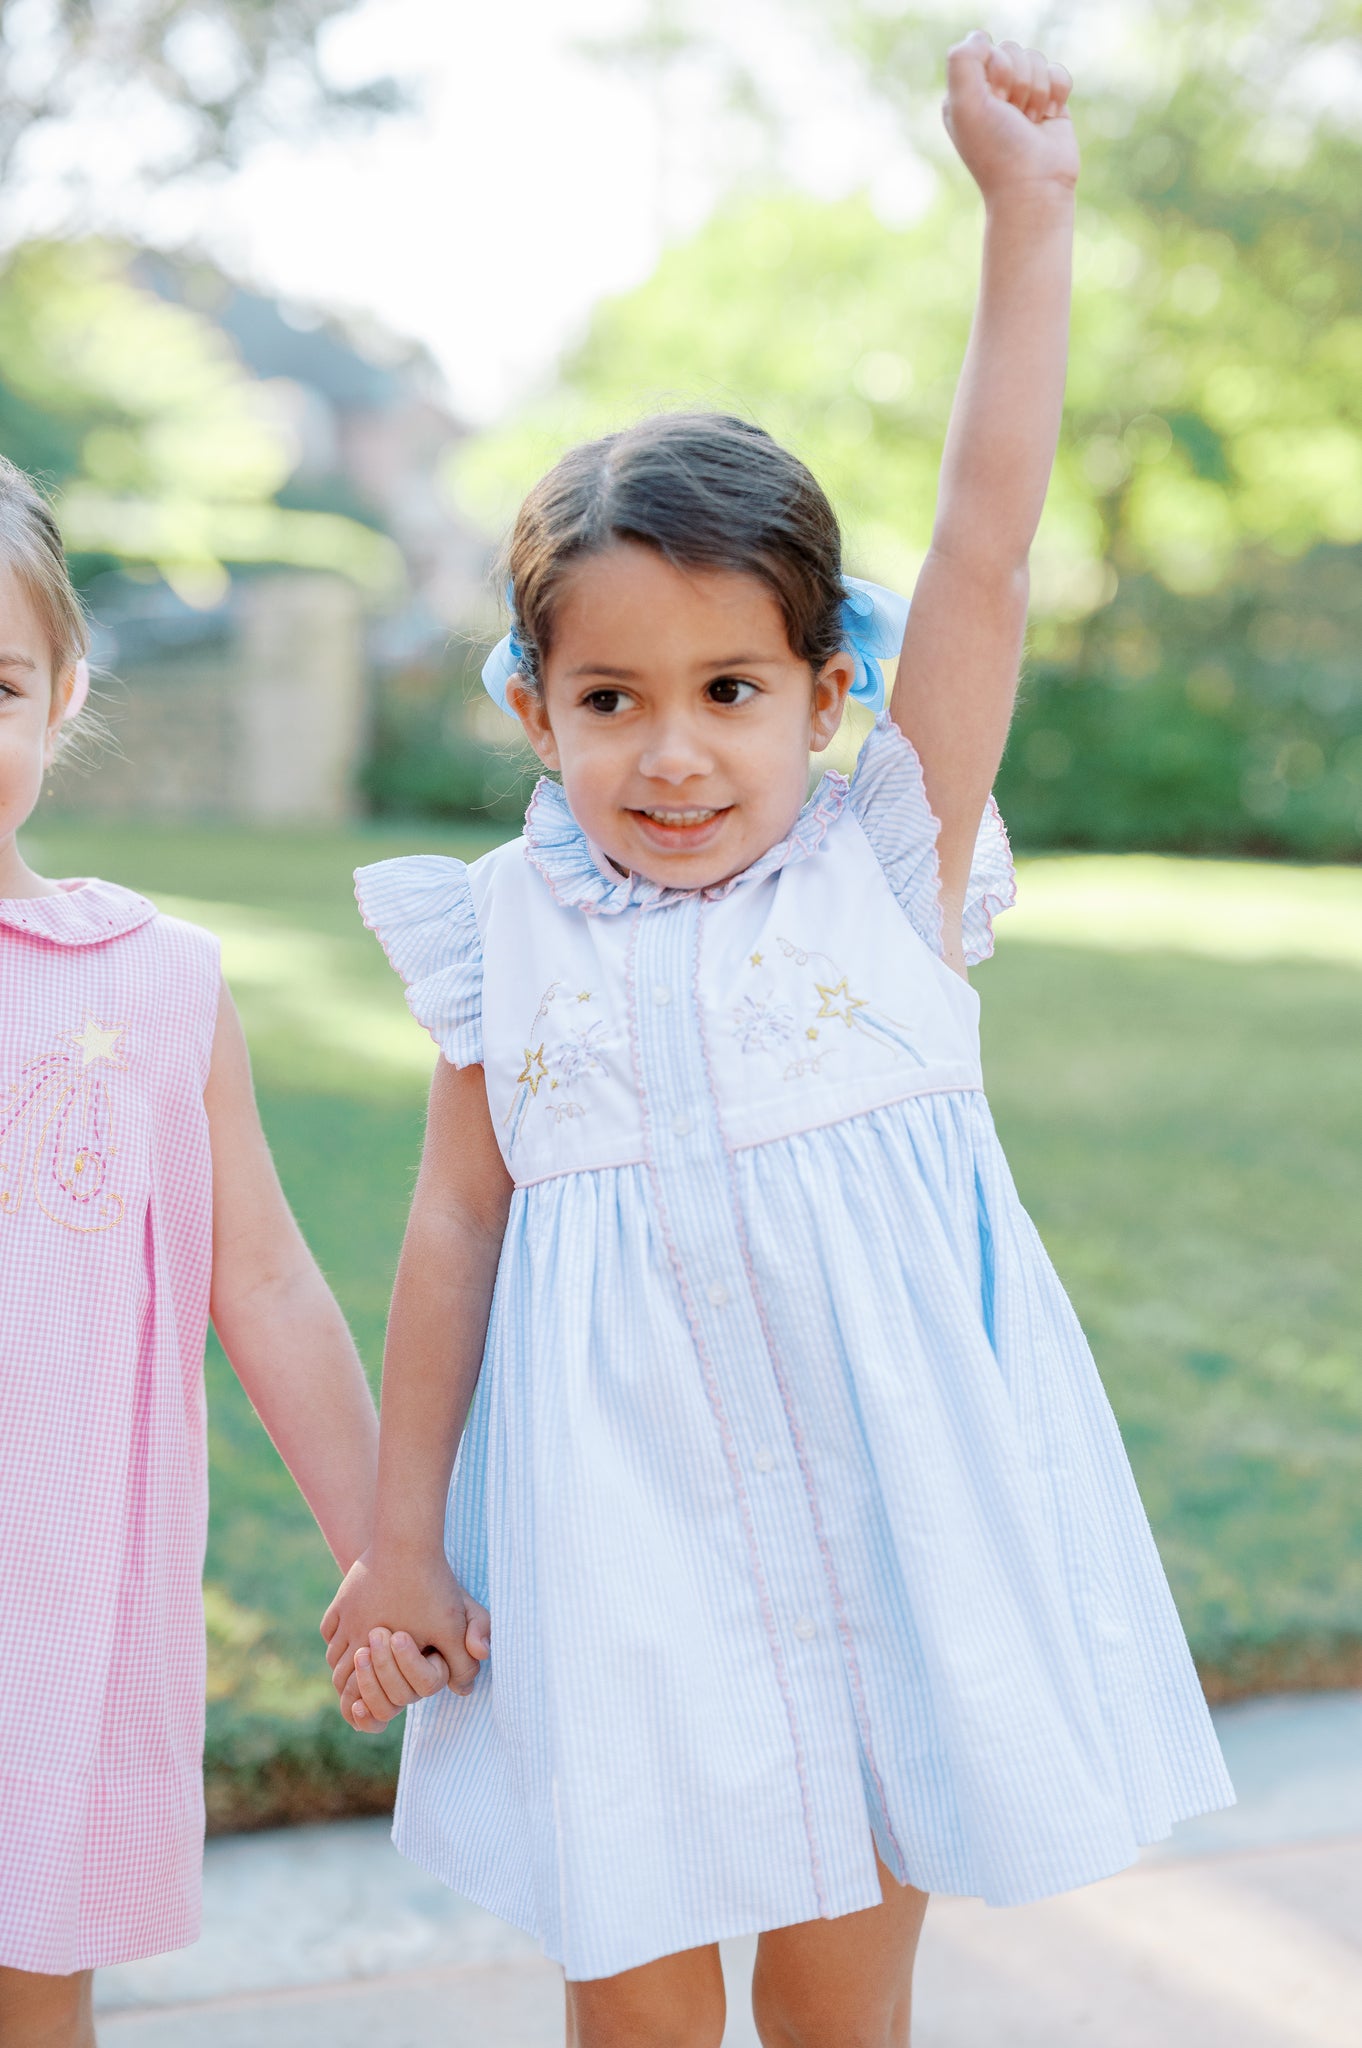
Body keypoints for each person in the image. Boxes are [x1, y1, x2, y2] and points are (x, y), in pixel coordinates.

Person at [322, 32, 1234, 2048]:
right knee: (635, 2007)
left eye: (731, 686)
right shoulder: (507, 934)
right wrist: (401, 1540)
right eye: (612, 697)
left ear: (830, 693)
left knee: (839, 1999)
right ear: (532, 712)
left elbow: (987, 547)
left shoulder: (883, 869)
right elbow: (452, 1233)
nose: (672, 749)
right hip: (611, 1556)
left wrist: (1031, 217)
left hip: (872, 1543)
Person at [0, 456, 446, 2048]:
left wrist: (389, 1546)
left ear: (64, 693)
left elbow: (256, 1279)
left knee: (29, 1976)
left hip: (45, 1606)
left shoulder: (155, 984)